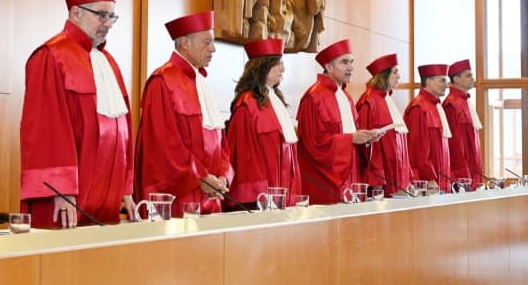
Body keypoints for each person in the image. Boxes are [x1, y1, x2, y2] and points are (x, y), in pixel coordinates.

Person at [20, 0, 134, 228]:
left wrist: (125, 186)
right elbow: (45, 131)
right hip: (64, 200)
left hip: (106, 199)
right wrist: (59, 188)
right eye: (101, 14)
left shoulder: (109, 63)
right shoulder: (51, 56)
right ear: (76, 12)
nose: (107, 23)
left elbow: (123, 133)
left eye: (112, 16)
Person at [135, 11, 232, 216]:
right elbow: (163, 147)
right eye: (207, 42)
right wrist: (201, 177)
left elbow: (220, 142)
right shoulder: (162, 82)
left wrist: (223, 175)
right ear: (185, 43)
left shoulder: (202, 83)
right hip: (178, 200)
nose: (213, 49)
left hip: (211, 197)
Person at [296, 39, 379, 204]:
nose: (350, 68)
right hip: (324, 181)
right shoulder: (314, 97)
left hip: (351, 176)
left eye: (351, 62)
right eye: (344, 62)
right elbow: (314, 145)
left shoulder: (346, 97)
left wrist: (366, 139)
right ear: (328, 67)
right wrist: (351, 139)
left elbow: (352, 137)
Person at [226, 38, 300, 207]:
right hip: (262, 199)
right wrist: (260, 198)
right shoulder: (247, 104)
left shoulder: (275, 99)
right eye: (278, 63)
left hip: (283, 192)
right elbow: (245, 158)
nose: (283, 68)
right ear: (262, 66)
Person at [355, 53, 411, 196]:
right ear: (383, 75)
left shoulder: (387, 99)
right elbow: (366, 147)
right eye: (395, 72)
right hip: (382, 181)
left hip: (397, 177)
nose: (399, 76)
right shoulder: (369, 102)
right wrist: (377, 179)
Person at [404, 64, 452, 192]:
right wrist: (429, 177)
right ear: (428, 81)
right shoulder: (419, 107)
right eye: (442, 80)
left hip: (440, 178)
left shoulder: (436, 106)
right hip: (427, 183)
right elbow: (417, 148)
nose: (447, 85)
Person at [443, 59, 483, 186]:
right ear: (456, 79)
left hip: (472, 170)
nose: (473, 78)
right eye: (468, 75)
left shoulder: (465, 101)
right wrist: (462, 175)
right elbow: (454, 143)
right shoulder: (452, 104)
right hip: (462, 175)